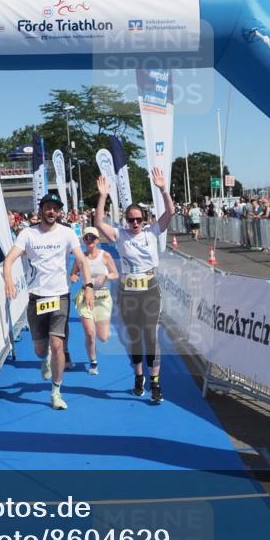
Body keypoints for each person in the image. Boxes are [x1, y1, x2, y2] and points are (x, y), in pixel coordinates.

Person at [3, 193, 93, 411]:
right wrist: (8, 278)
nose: (51, 211)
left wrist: (88, 286)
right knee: (40, 349)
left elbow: (82, 260)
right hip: (36, 297)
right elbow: (10, 258)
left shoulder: (67, 233)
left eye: (55, 208)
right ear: (41, 210)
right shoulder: (28, 233)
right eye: (48, 207)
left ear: (60, 212)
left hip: (60, 296)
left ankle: (56, 391)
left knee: (57, 344)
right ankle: (45, 359)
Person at [95, 168, 174, 404]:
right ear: (125, 220)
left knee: (152, 337)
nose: (136, 223)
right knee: (134, 337)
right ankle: (139, 377)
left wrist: (163, 189)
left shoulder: (152, 232)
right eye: (131, 219)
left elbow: (170, 212)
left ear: (145, 220)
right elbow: (98, 222)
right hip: (128, 294)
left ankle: (156, 383)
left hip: (149, 291)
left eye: (139, 219)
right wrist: (102, 196)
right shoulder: (120, 235)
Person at [68, 227, 118, 375]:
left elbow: (116, 274)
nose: (89, 241)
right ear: (83, 241)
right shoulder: (80, 258)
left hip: (102, 298)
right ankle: (93, 361)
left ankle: (104, 332)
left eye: (92, 238)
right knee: (90, 333)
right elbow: (73, 273)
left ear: (97, 240)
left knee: (102, 337)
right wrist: (75, 277)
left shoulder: (105, 255)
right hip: (85, 297)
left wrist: (106, 277)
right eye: (86, 238)